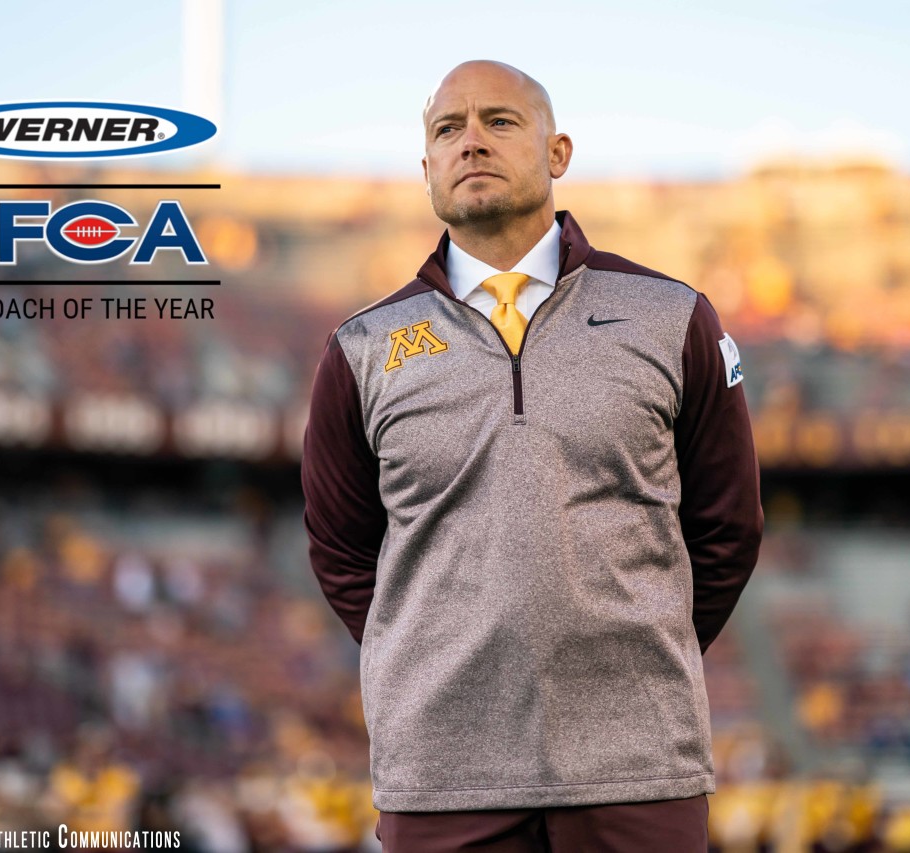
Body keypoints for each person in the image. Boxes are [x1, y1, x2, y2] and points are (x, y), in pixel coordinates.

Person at [301, 59, 764, 852]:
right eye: (448, 129)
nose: (471, 141)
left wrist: (632, 651)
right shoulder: (362, 348)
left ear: (558, 153)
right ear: (427, 171)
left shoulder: (670, 316)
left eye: (499, 121)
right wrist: (430, 655)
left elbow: (728, 527)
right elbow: (342, 550)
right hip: (442, 777)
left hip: (638, 773)